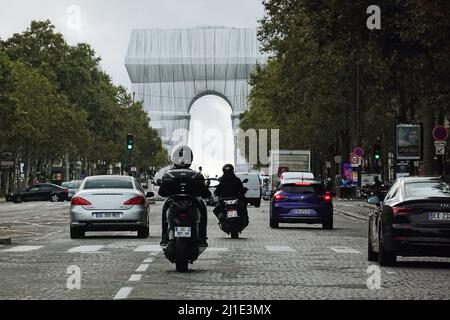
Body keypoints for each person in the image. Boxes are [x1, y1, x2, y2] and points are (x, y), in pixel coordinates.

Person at [158, 146, 211, 247]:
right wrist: (206, 194)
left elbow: (161, 192)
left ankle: (164, 237)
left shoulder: (169, 174)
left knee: (165, 209)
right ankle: (202, 238)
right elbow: (204, 192)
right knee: (203, 209)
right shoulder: (196, 175)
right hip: (193, 202)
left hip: (173, 202)